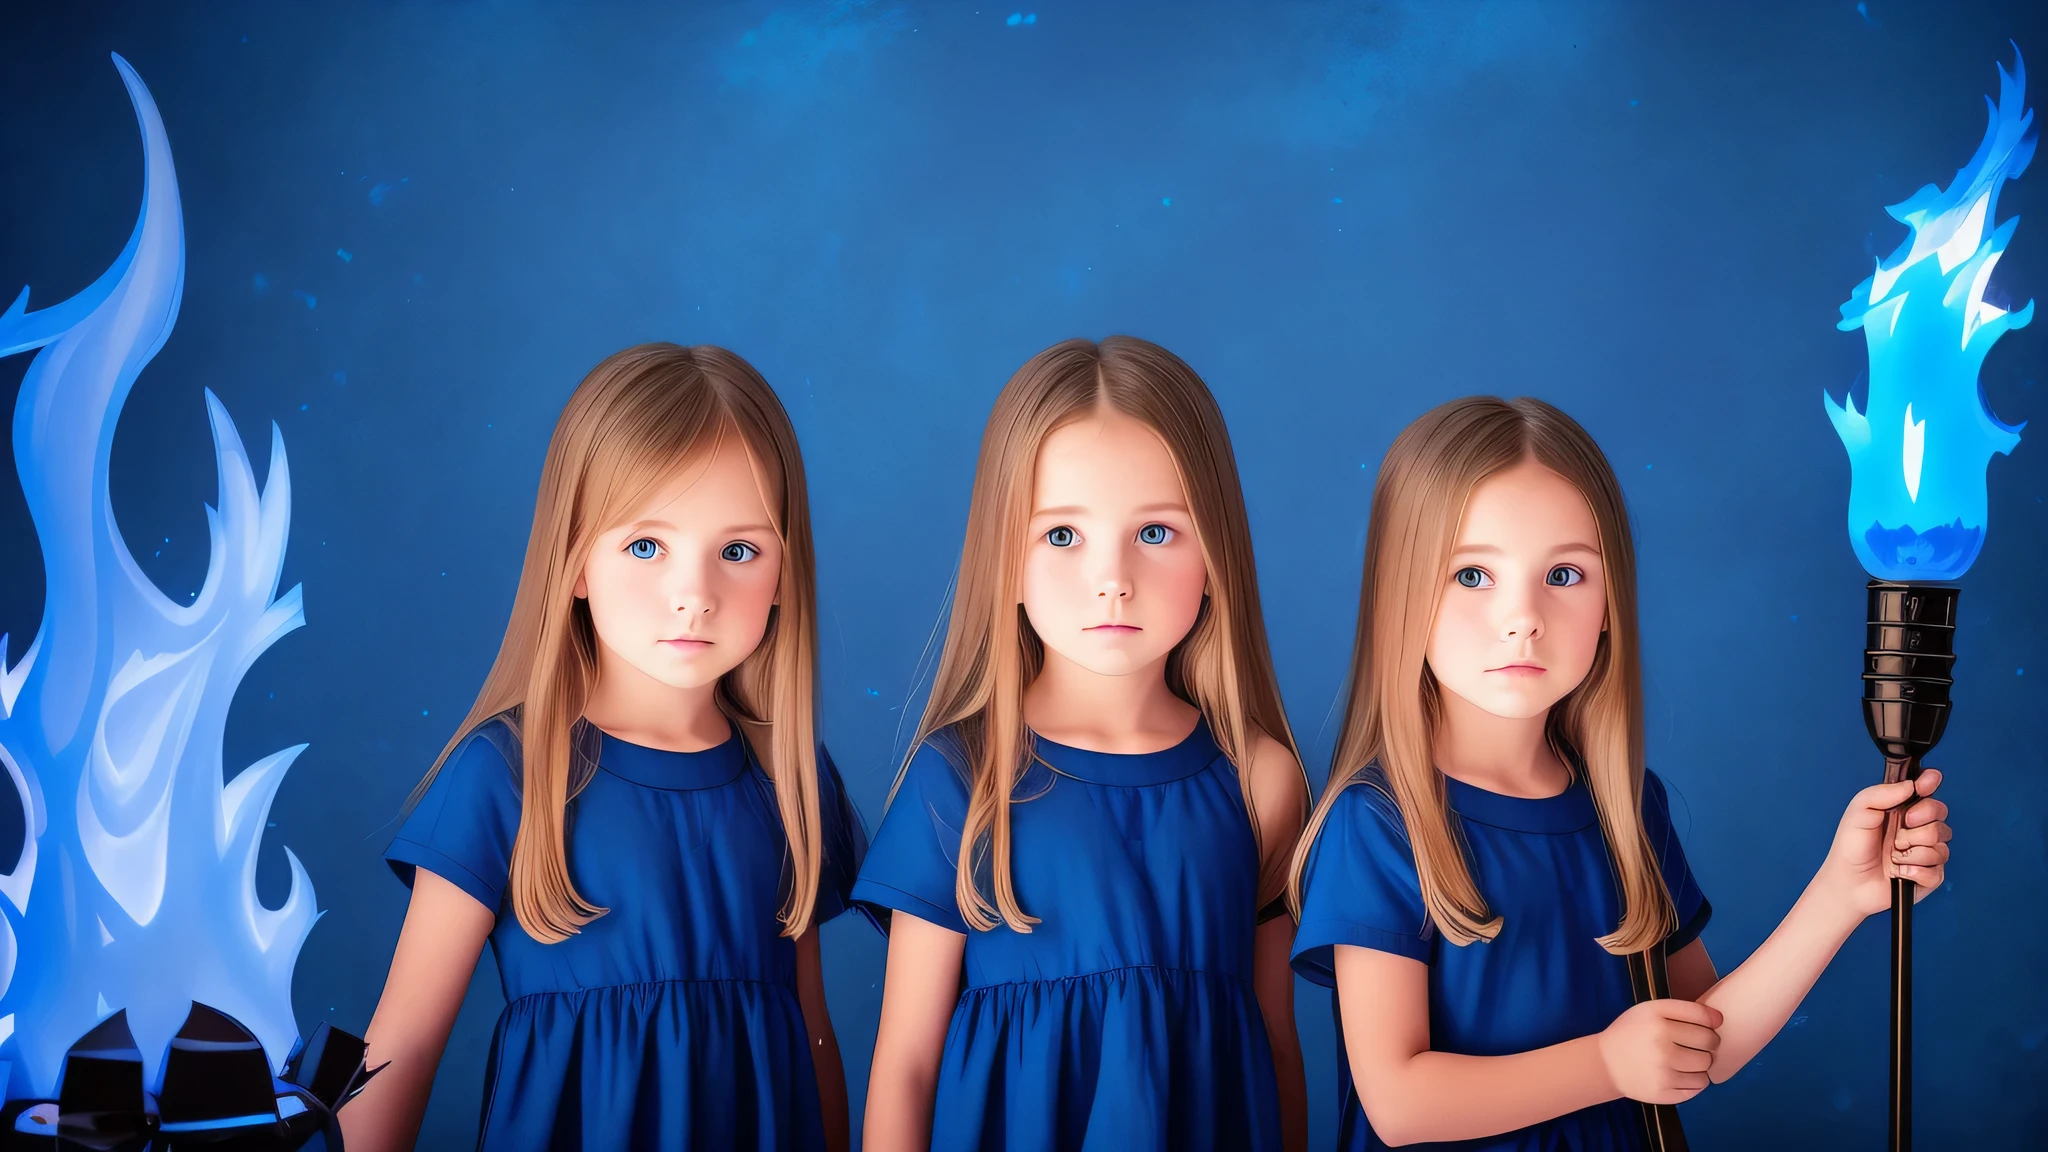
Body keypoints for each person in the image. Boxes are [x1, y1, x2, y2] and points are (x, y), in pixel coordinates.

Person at [1290, 395, 1954, 1149]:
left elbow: (1707, 1045)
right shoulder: (1378, 824)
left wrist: (1841, 892)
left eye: (1565, 575)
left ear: (1610, 604)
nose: (1524, 616)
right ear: (1401, 594)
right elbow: (1400, 1103)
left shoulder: (1625, 810)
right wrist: (1607, 1063)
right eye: (1473, 575)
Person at [346, 343, 867, 1151]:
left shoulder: (791, 778)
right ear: (576, 561)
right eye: (646, 546)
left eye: (738, 551)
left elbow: (814, 1036)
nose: (694, 594)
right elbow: (401, 1052)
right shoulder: (507, 774)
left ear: (783, 572)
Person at [857, 336, 1309, 1151]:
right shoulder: (962, 779)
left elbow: (1276, 1044)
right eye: (1063, 535)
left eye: (1158, 533)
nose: (1113, 577)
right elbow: (907, 1064)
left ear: (1216, 552)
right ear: (1008, 558)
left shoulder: (1260, 781)